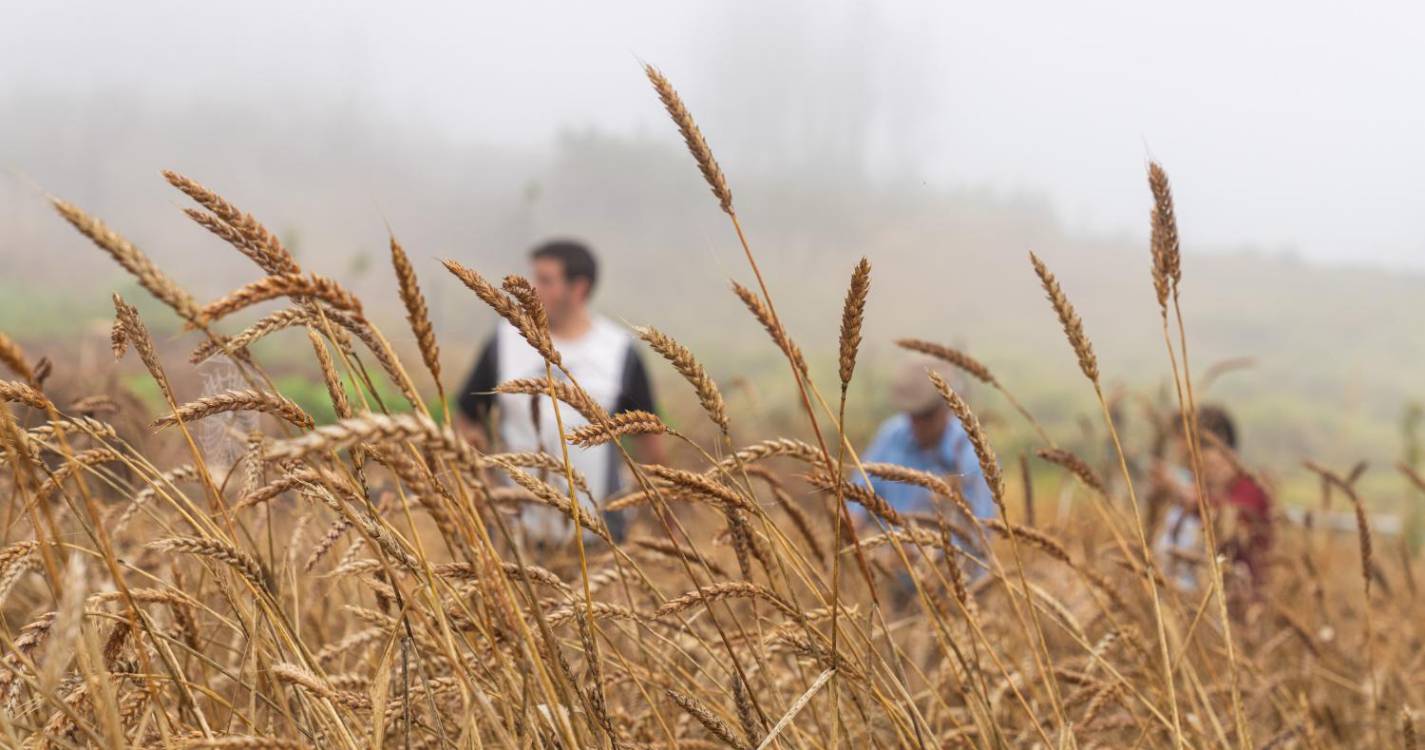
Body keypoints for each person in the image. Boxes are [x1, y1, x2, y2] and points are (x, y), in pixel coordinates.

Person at [456, 239, 664, 543]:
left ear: (578, 288)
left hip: (600, 538)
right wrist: (483, 482)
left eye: (545, 280)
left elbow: (649, 438)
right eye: (533, 277)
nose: (532, 289)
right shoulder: (504, 341)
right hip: (516, 537)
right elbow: (466, 416)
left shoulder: (618, 351)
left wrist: (661, 511)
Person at [860, 359, 997, 576]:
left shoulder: (970, 456)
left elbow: (978, 537)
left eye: (927, 416)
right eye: (912, 415)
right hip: (892, 579)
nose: (918, 425)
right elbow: (855, 498)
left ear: (948, 407)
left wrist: (926, 555)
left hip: (956, 584)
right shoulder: (891, 435)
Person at [1152, 405, 1273, 592]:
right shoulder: (1200, 488)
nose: (1191, 465)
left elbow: (1229, 522)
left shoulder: (1250, 490)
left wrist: (1187, 497)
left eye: (1192, 456)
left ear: (1219, 450)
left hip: (1238, 608)